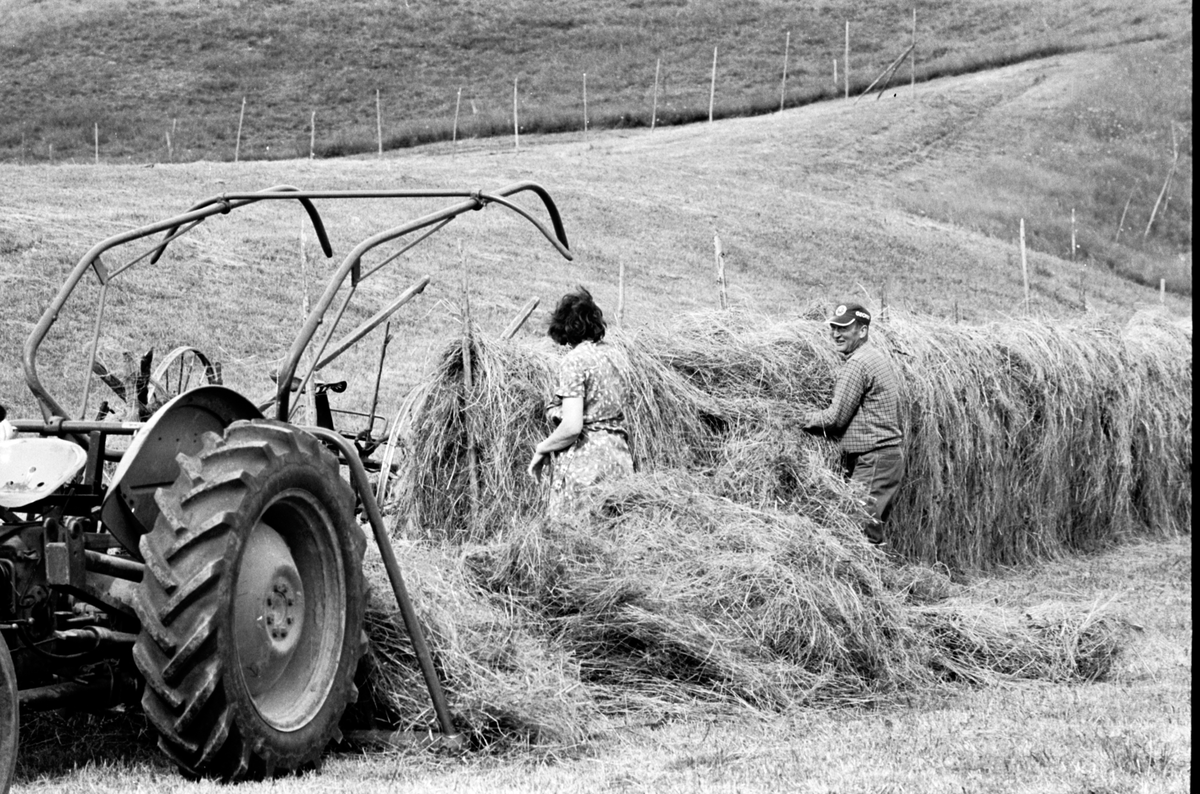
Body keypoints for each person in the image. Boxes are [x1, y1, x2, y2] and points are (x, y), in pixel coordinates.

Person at [800, 302, 904, 545]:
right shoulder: (874, 356)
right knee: (866, 528)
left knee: (858, 528)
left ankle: (873, 579)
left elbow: (835, 419)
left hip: (875, 458)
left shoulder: (857, 364)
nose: (836, 334)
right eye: (834, 327)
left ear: (862, 331)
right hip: (885, 459)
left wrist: (799, 418)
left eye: (844, 328)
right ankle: (876, 578)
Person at [528, 287, 633, 515]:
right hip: (619, 461)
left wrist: (543, 448)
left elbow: (572, 426)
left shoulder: (575, 361)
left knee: (573, 542)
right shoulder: (617, 356)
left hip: (587, 467)